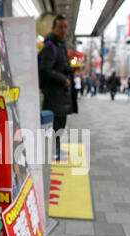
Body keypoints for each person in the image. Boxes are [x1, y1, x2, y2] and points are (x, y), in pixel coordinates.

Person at [40, 14, 75, 160]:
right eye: (60, 27)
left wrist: (69, 70)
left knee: (60, 125)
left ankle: (57, 150)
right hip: (54, 95)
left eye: (65, 27)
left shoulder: (62, 45)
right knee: (54, 126)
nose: (63, 30)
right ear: (53, 28)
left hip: (62, 96)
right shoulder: (50, 46)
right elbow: (45, 69)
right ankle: (53, 152)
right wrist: (63, 79)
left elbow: (61, 66)